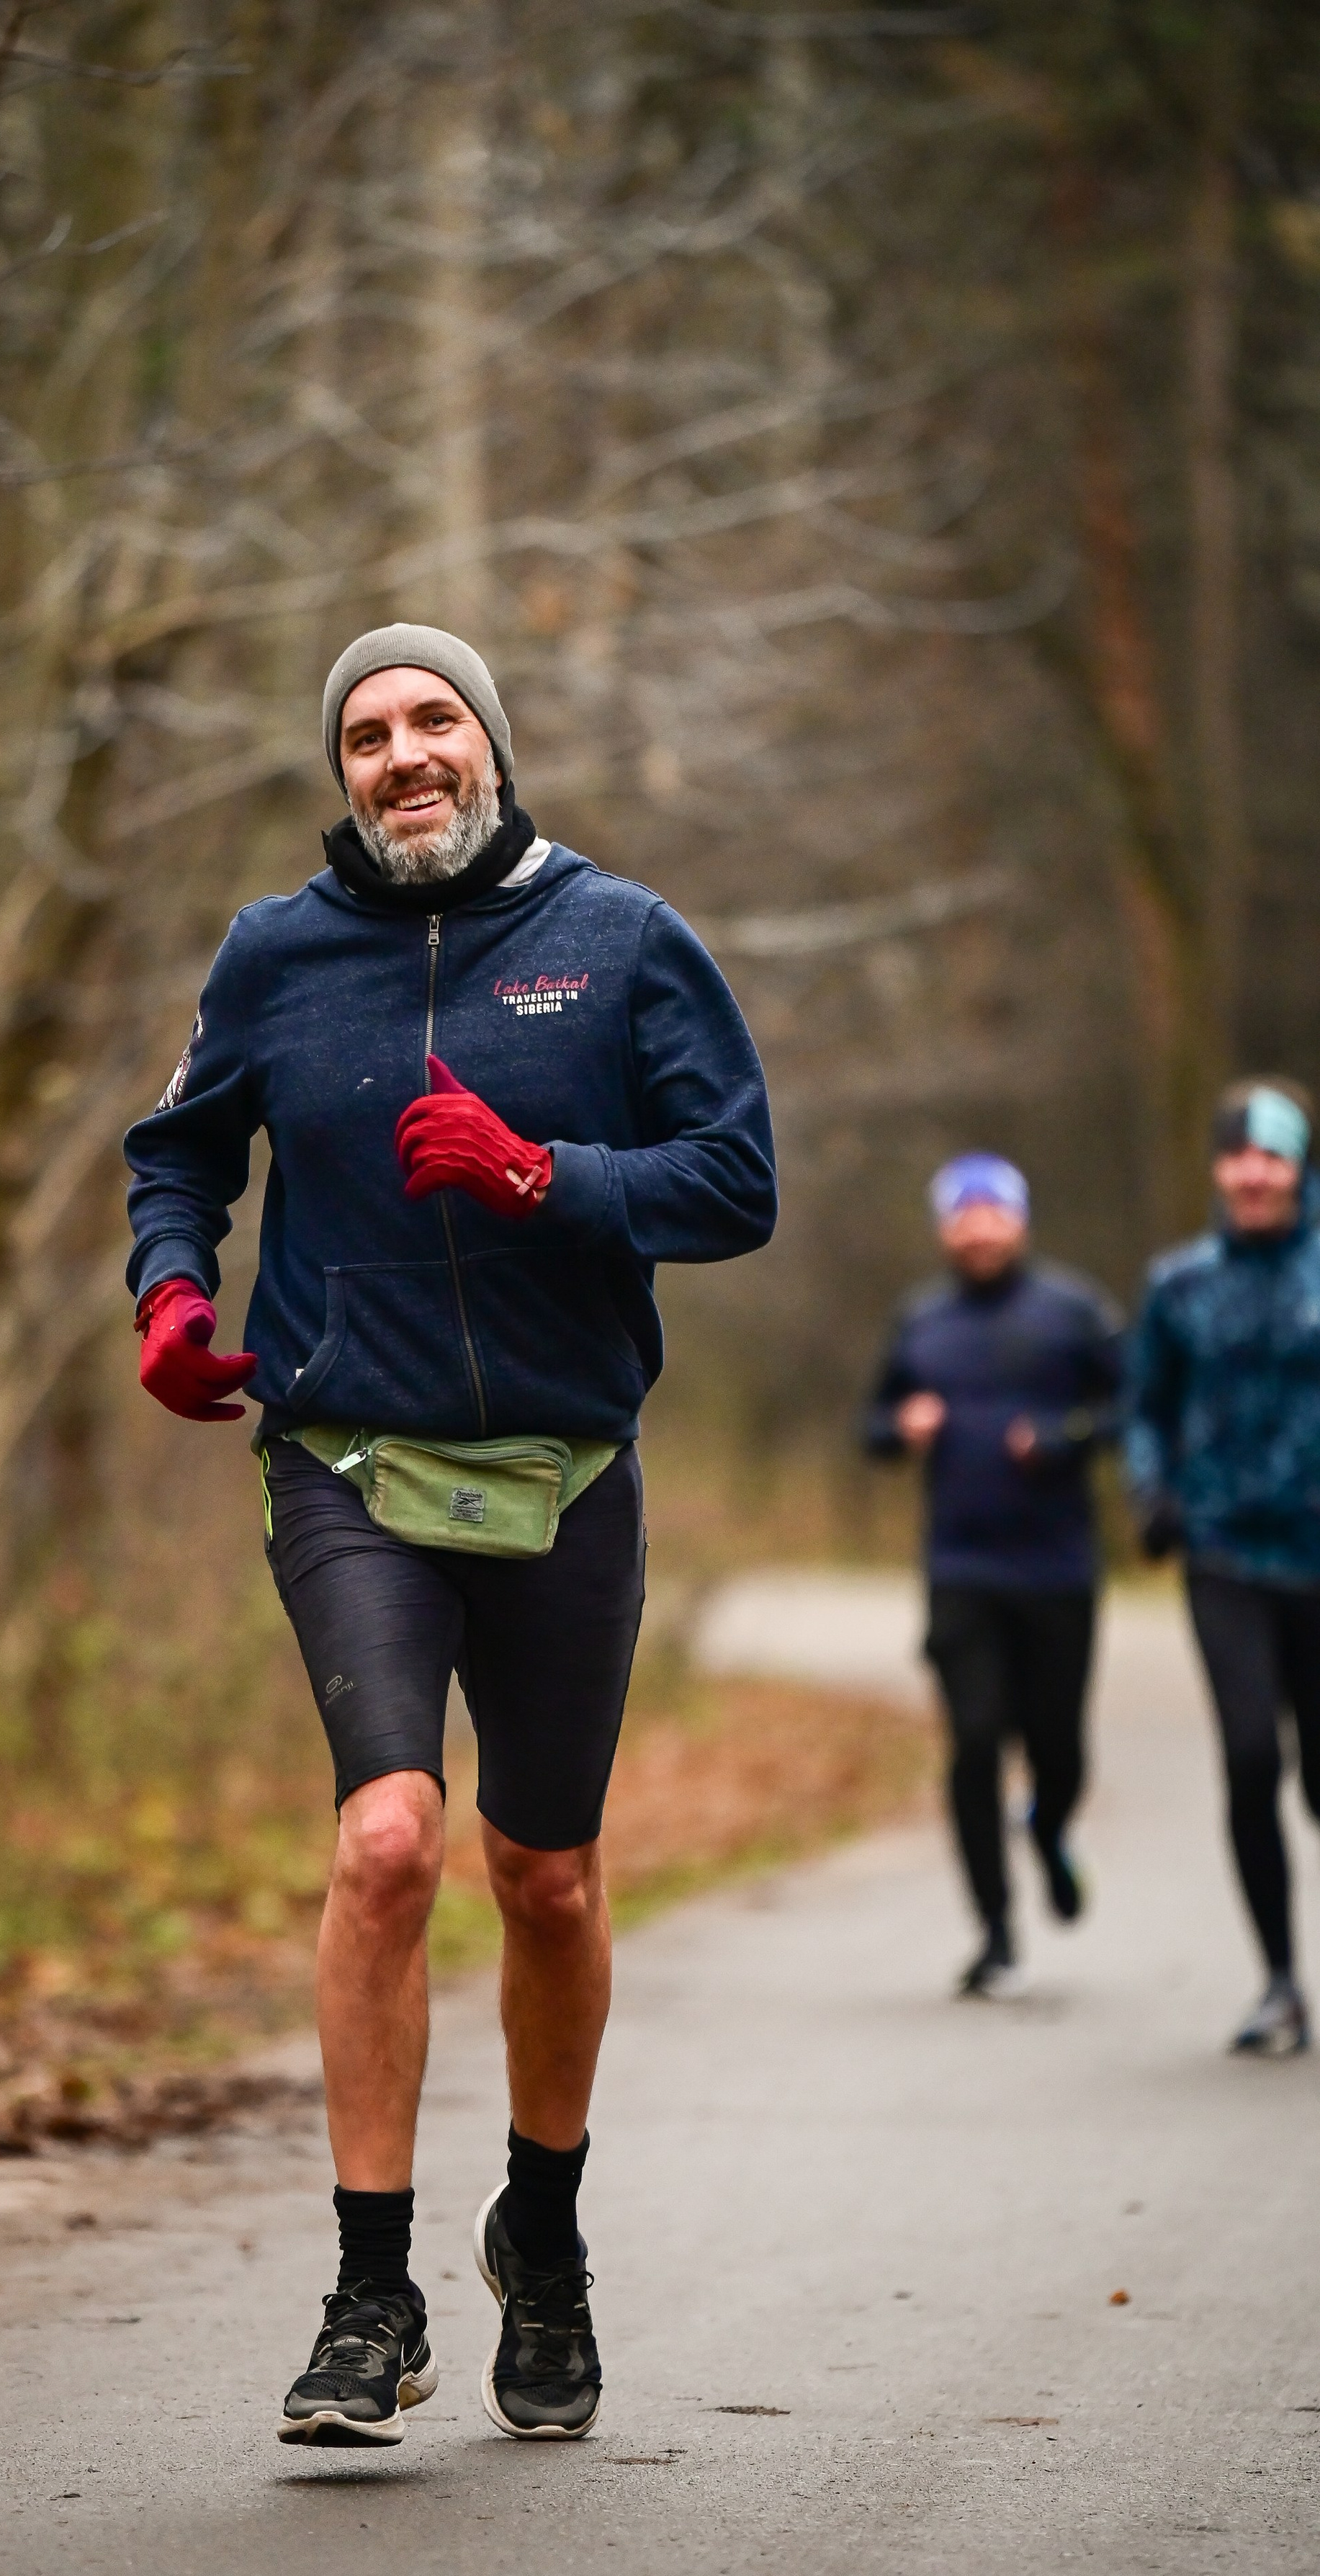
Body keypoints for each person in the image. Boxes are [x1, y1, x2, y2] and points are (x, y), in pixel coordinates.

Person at [123, 622, 775, 2446]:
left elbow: (735, 1183)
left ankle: (541, 2242)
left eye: (431, 721)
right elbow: (175, 1154)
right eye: (362, 732)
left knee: (544, 1874)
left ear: (488, 743)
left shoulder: (622, 941)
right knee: (389, 1837)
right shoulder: (276, 956)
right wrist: (170, 1295)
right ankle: (365, 2288)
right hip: (350, 1456)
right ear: (337, 769)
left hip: (563, 1468)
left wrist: (537, 1176)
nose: (401, 754)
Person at [863, 1153, 1126, 1999]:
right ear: (945, 1227)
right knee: (973, 1740)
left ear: (1019, 1220)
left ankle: (1048, 1827)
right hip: (961, 1566)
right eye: (963, 1214)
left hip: (1057, 1567)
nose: (979, 1228)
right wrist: (902, 1424)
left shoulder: (1073, 1311)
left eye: (994, 1213)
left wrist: (1064, 1435)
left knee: (1059, 1750)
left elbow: (1131, 1410)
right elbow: (870, 1427)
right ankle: (995, 1931)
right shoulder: (920, 1320)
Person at [1126, 1077, 1320, 2058]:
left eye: (1274, 1156)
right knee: (1251, 1759)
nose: (1255, 1174)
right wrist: (1152, 1490)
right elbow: (1144, 1407)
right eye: (1239, 1156)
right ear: (1219, 1169)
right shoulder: (1180, 1285)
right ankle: (1282, 1983)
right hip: (1225, 1555)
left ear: (1299, 1168)